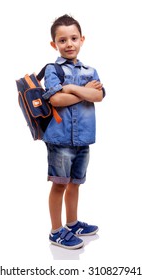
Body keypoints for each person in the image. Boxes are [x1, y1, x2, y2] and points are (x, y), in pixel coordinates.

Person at [41, 14, 105, 249]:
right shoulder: (52, 69)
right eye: (62, 40)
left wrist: (70, 88)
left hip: (84, 138)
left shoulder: (91, 70)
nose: (69, 44)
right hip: (60, 139)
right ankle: (56, 231)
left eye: (74, 38)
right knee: (59, 183)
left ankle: (72, 222)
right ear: (54, 44)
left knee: (75, 183)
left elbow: (97, 95)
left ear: (82, 39)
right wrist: (80, 90)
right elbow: (56, 100)